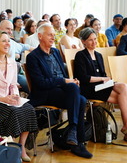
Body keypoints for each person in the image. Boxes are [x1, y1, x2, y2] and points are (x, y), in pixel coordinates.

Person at [26, 23, 93, 158]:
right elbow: (40, 83)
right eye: (50, 34)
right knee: (79, 98)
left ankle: (75, 138)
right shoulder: (33, 57)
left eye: (53, 35)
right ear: (40, 36)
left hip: (62, 91)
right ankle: (77, 140)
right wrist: (65, 82)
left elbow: (63, 75)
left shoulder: (56, 52)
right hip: (45, 93)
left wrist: (71, 80)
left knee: (80, 98)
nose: (53, 37)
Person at [74, 27, 127, 145]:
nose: (94, 42)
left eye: (95, 39)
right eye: (90, 40)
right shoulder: (80, 55)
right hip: (89, 88)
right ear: (84, 41)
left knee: (123, 87)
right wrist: (103, 79)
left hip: (101, 86)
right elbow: (83, 78)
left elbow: (104, 75)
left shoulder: (98, 55)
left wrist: (107, 80)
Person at [0, 31, 37, 162]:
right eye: (4, 41)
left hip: (9, 99)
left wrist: (15, 96)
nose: (7, 43)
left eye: (8, 41)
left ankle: (20, 147)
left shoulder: (12, 63)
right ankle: (12, 148)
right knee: (14, 112)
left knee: (29, 109)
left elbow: (13, 84)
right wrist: (2, 99)